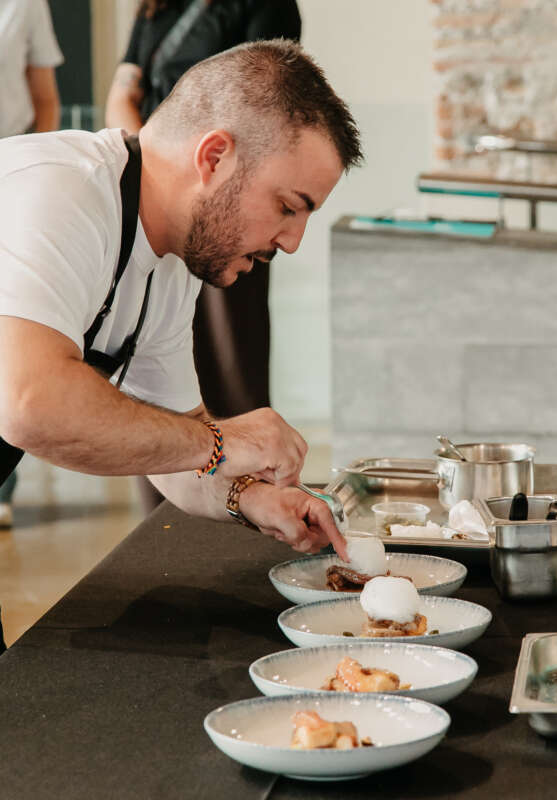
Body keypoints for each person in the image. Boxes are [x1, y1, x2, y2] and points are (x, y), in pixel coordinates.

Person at [0, 40, 361, 650]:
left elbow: (174, 450)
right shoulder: (63, 193)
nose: (293, 241)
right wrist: (227, 440)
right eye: (286, 206)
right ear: (215, 156)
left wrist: (254, 498)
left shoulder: (167, 267)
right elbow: (29, 406)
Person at [106, 0, 302, 515]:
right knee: (152, 384)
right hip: (165, 198)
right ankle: (164, 520)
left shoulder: (265, 7)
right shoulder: (155, 8)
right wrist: (155, 170)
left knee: (229, 371)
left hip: (224, 208)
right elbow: (122, 95)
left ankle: (244, 499)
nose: (295, 236)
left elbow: (266, 124)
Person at [0, 0, 63, 527]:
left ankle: (4, 484)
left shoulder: (26, 4)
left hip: (10, 182)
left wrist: (31, 175)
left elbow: (45, 99)